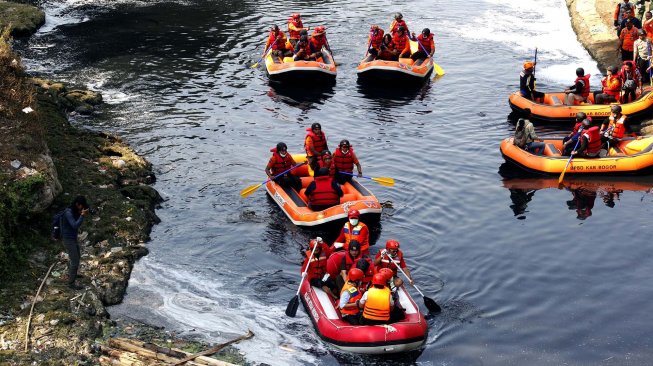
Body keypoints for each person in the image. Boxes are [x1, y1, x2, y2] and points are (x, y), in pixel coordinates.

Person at [61, 195, 90, 290]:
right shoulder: (68, 212)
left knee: (77, 256)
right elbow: (75, 225)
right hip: (68, 239)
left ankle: (72, 274)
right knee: (75, 261)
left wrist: (82, 213)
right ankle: (71, 283)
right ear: (77, 204)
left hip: (73, 238)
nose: (82, 208)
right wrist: (82, 215)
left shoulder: (74, 211)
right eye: (81, 206)